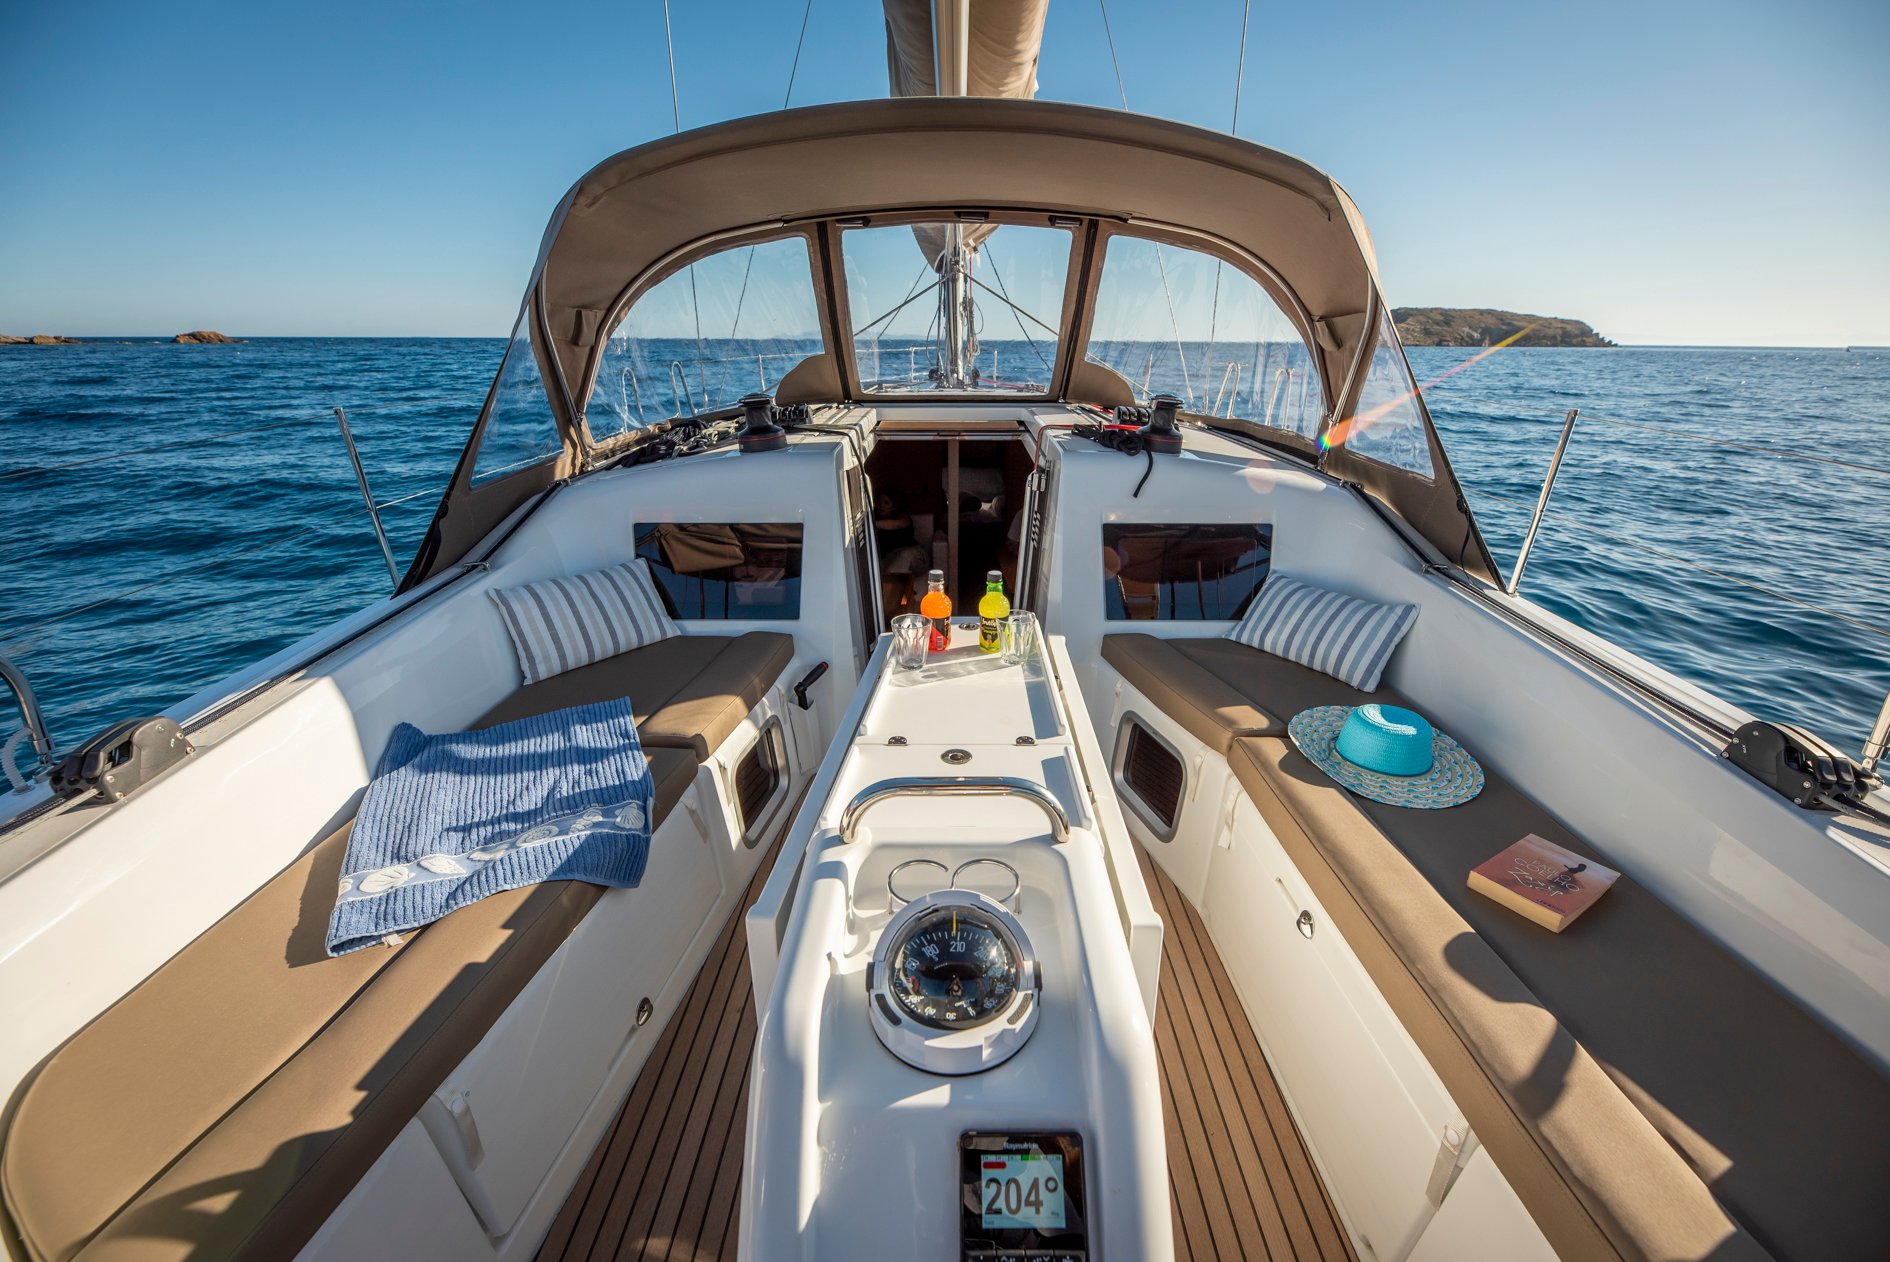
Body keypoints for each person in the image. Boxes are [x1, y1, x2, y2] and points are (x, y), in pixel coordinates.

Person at [875, 488, 930, 625]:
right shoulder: (875, 518)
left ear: (894, 505)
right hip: (890, 559)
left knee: (904, 555)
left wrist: (871, 524)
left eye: (886, 503)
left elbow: (896, 525)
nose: (882, 505)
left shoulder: (902, 517)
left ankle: (888, 600)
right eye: (880, 502)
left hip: (915, 556)